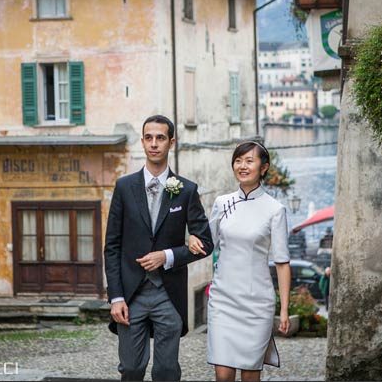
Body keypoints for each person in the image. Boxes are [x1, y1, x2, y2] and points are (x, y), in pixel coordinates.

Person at [104, 115, 214, 381]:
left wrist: (168, 255)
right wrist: (116, 297)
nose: (154, 144)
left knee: (166, 371)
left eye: (160, 138)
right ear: (142, 142)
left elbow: (206, 243)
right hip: (131, 295)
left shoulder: (186, 190)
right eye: (149, 138)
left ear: (171, 142)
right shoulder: (124, 187)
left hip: (169, 294)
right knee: (131, 369)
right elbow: (112, 246)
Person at [189, 141, 292, 382]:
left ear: (263, 167)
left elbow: (282, 262)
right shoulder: (222, 203)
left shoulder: (275, 210)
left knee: (250, 374)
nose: (242, 166)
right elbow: (206, 242)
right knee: (223, 375)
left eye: (249, 161)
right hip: (223, 300)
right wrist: (192, 238)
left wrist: (284, 309)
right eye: (238, 160)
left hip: (257, 304)